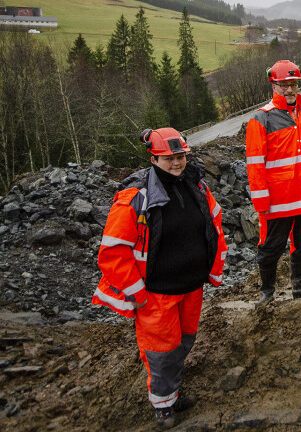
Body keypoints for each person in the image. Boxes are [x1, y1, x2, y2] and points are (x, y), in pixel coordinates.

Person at [92, 128, 227, 429]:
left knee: (183, 342)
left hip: (191, 286)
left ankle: (171, 392)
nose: (177, 163)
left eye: (180, 156)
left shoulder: (196, 185)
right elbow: (112, 251)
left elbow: (214, 225)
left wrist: (213, 268)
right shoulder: (135, 196)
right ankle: (163, 405)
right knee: (162, 352)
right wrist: (137, 292)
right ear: (153, 158)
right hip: (157, 293)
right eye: (169, 158)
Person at [246, 60, 301, 304]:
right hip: (277, 201)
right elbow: (255, 163)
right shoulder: (262, 119)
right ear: (273, 86)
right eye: (284, 85)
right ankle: (267, 293)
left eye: (293, 84)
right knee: (271, 246)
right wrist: (261, 200)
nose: (290, 90)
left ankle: (299, 286)